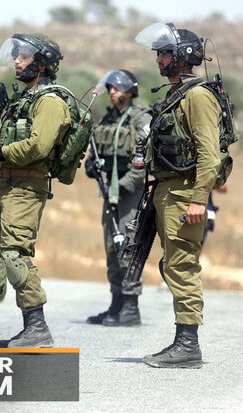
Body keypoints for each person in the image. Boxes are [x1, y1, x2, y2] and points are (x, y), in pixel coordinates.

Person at [0, 33, 71, 348]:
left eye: (24, 56)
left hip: (27, 185)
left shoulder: (50, 101)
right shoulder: (25, 99)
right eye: (17, 55)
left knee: (15, 253)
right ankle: (31, 327)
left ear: (41, 63)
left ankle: (37, 327)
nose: (17, 61)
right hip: (9, 182)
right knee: (7, 251)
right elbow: (9, 140)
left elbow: (39, 146)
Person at [135, 22, 222, 368]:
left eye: (164, 53)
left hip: (185, 193)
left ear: (182, 57)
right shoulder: (177, 95)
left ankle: (188, 346)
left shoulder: (198, 96)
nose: (158, 59)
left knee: (182, 265)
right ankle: (182, 342)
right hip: (167, 190)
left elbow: (210, 155)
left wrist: (200, 198)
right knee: (173, 264)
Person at [84, 70, 152, 326]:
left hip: (130, 192)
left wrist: (124, 185)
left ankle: (131, 306)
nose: (113, 92)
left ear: (130, 91)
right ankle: (116, 303)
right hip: (110, 191)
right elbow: (96, 153)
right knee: (112, 247)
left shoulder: (140, 118)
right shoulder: (108, 119)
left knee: (128, 246)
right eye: (110, 88)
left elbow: (144, 159)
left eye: (118, 88)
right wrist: (91, 166)